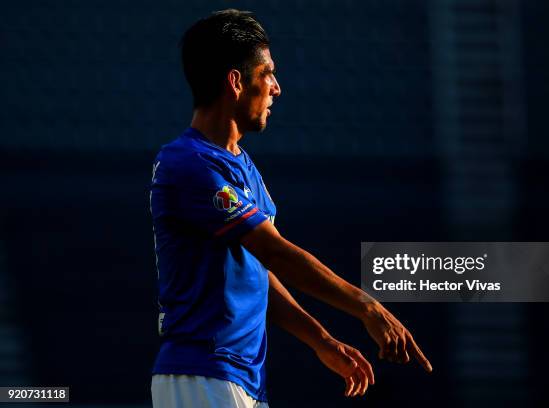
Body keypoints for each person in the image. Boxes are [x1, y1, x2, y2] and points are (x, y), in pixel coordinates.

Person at [149, 9, 432, 408]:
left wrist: (322, 340)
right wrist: (367, 306)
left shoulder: (242, 167)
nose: (276, 88)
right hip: (203, 374)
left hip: (240, 378)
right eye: (268, 74)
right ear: (235, 82)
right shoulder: (189, 163)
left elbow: (261, 271)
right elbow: (276, 251)